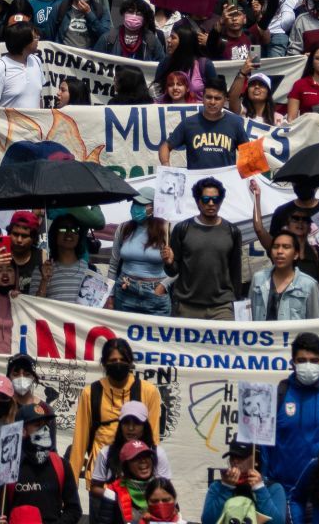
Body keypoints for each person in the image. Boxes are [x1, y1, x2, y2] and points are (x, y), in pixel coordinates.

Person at [68, 339, 163, 488]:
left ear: (130, 362)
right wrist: (70, 488)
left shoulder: (149, 392)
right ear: (104, 363)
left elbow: (153, 440)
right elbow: (79, 443)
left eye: (122, 360)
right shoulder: (90, 393)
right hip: (99, 480)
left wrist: (156, 482)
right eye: (113, 360)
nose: (118, 364)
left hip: (136, 481)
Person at [266, 332, 319, 492]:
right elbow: (263, 446)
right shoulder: (277, 395)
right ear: (292, 363)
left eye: (314, 361)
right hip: (282, 493)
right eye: (302, 360)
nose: (308, 365)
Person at [168, 177, 241, 319]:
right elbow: (172, 272)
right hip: (187, 307)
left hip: (222, 308)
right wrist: (168, 262)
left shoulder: (233, 231)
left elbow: (235, 272)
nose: (211, 203)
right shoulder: (182, 229)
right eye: (206, 199)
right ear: (197, 201)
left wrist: (236, 302)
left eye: (216, 199)